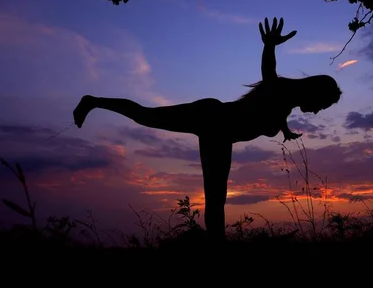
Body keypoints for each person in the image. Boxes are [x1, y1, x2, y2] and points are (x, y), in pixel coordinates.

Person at [73, 17, 342, 241]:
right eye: (322, 105)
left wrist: (284, 131)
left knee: (217, 194)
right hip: (214, 121)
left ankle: (216, 243)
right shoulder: (283, 91)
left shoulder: (288, 101)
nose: (318, 111)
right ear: (315, 93)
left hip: (219, 128)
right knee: (147, 119)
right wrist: (269, 46)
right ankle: (93, 101)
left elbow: (276, 110)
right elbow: (269, 75)